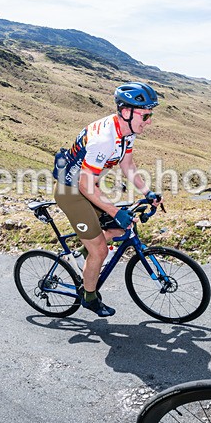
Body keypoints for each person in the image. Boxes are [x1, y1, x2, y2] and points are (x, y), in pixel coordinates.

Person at [52, 82, 162, 317]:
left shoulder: (126, 132)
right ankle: (89, 297)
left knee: (120, 229)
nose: (149, 121)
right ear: (126, 112)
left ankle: (85, 253)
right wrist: (114, 211)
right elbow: (83, 185)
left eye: (150, 114)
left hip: (91, 188)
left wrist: (147, 192)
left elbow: (128, 165)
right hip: (71, 193)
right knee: (101, 250)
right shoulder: (104, 138)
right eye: (146, 115)